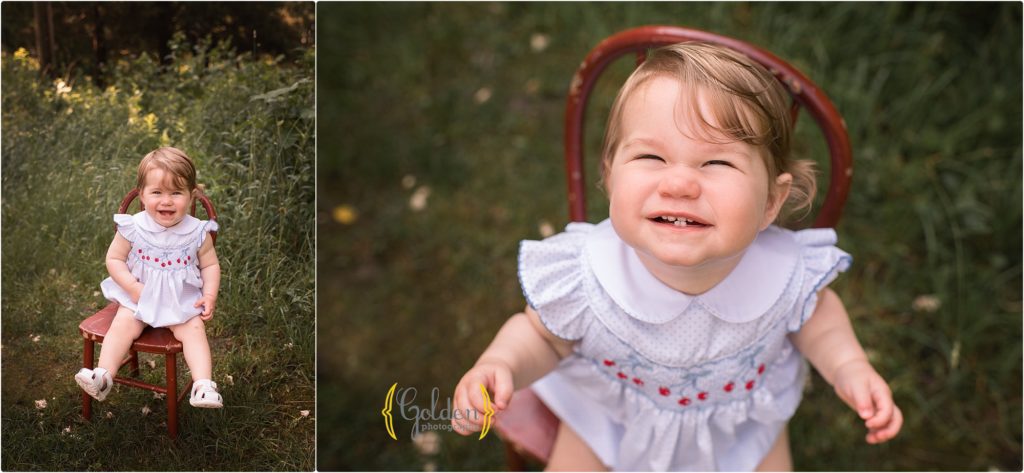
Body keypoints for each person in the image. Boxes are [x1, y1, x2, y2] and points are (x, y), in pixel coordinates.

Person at [451, 42, 902, 470]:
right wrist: (501, 363)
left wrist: (849, 367)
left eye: (717, 164)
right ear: (610, 177)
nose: (680, 184)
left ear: (770, 202)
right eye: (651, 156)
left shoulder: (784, 275)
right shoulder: (587, 277)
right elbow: (544, 337)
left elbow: (818, 320)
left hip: (741, 428)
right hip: (612, 418)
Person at [75, 147, 224, 408]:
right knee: (122, 324)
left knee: (194, 330)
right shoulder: (133, 226)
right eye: (157, 192)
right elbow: (114, 259)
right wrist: (131, 287)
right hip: (139, 296)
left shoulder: (197, 231)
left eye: (176, 193)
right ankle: (104, 375)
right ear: (142, 195)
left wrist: (209, 295)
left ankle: (203, 385)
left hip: (181, 300)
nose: (166, 201)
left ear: (192, 196)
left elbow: (210, 265)